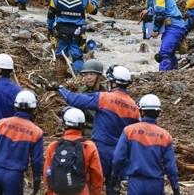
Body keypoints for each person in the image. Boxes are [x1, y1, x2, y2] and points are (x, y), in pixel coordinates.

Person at [56, 65, 140, 195]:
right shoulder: (134, 107)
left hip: (101, 150)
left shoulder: (104, 98)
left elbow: (74, 100)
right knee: (113, 186)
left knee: (92, 184)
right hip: (120, 154)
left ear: (112, 82)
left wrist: (60, 88)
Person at [113, 94, 180, 195]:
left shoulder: (129, 131)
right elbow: (171, 167)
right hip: (156, 184)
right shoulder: (165, 136)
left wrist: (114, 177)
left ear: (142, 111)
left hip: (135, 183)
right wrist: (176, 189)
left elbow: (118, 158)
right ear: (158, 113)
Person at [0, 90, 43, 195]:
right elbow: (37, 162)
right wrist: (36, 183)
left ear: (15, 106)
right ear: (33, 109)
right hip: (14, 177)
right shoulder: (36, 132)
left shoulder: (2, 124)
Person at [47, 0, 98, 76]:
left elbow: (51, 14)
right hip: (77, 32)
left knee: (60, 56)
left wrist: (50, 28)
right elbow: (94, 11)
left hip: (60, 31)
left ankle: (59, 77)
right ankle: (78, 79)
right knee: (77, 56)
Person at [44, 107, 104, 195]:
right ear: (83, 125)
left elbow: (47, 174)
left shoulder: (53, 146)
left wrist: (50, 192)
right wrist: (96, 193)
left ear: (64, 124)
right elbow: (97, 175)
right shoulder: (89, 146)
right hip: (82, 191)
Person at [142, 0, 186, 71]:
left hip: (173, 26)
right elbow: (161, 8)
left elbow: (160, 13)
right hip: (176, 25)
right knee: (170, 53)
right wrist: (148, 10)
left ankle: (162, 74)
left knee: (164, 53)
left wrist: (155, 30)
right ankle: (174, 73)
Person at [79, 59, 106, 137]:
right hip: (88, 130)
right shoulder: (81, 93)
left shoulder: (106, 93)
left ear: (99, 76)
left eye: (92, 74)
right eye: (86, 75)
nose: (88, 78)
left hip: (103, 129)